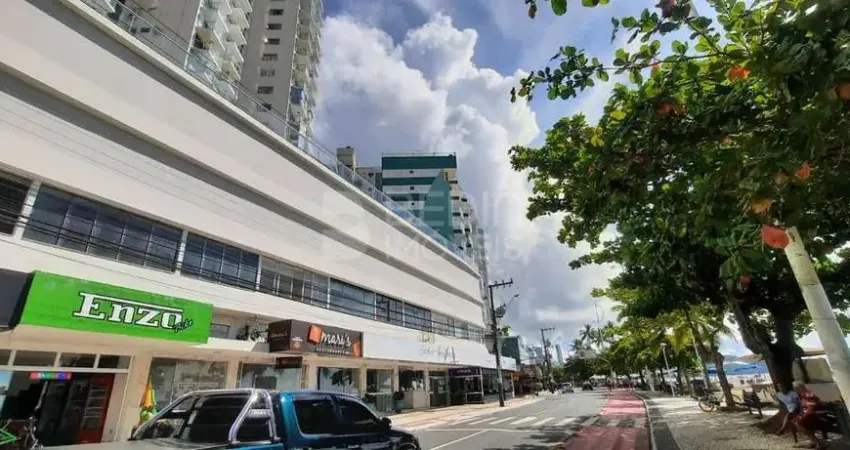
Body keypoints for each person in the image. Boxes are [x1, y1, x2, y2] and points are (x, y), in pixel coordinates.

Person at [791, 381, 827, 448]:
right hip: (810, 415)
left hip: (815, 415)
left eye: (796, 388)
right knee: (796, 421)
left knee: (798, 423)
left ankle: (817, 442)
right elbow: (804, 408)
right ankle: (815, 441)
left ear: (800, 387)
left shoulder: (809, 394)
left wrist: (803, 416)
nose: (795, 390)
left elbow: (811, 408)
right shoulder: (803, 395)